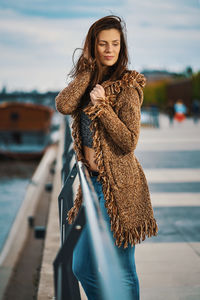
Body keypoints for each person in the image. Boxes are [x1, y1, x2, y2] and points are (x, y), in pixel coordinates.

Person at [55, 15, 158, 300]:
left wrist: (103, 108)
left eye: (115, 43)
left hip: (121, 189)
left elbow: (129, 142)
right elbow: (63, 104)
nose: (110, 49)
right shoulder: (87, 83)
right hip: (92, 187)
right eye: (103, 44)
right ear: (93, 46)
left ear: (121, 46)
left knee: (124, 270)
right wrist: (88, 73)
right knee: (82, 266)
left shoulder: (128, 85)